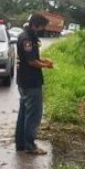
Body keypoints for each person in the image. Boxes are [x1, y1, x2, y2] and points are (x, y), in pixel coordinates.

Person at [15, 14, 54, 155]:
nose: (43, 29)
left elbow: (31, 57)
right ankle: (30, 146)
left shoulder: (25, 35)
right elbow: (31, 62)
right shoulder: (27, 39)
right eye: (42, 26)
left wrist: (43, 60)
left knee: (24, 113)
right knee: (33, 114)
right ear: (35, 25)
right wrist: (46, 66)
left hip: (23, 81)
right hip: (30, 81)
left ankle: (21, 144)